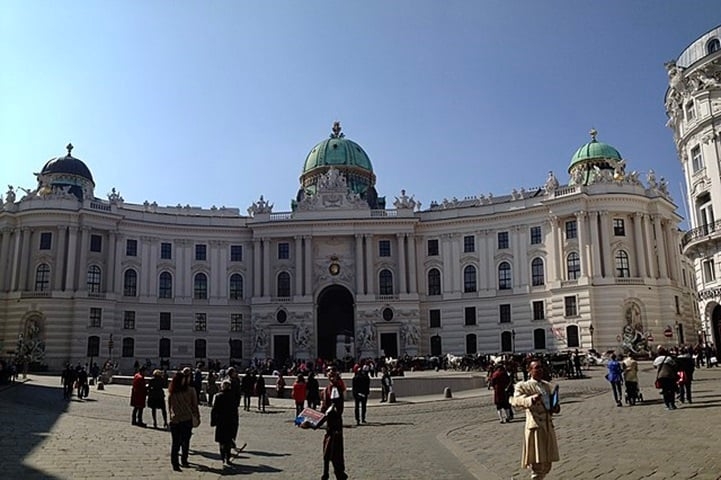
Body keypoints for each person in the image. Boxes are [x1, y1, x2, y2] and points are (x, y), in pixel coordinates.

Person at [510, 360, 560, 480]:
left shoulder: (547, 386)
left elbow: (551, 404)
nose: (540, 370)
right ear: (530, 370)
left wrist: (556, 407)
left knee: (547, 463)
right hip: (535, 426)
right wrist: (530, 400)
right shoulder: (523, 385)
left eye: (541, 367)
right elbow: (514, 401)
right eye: (536, 368)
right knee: (538, 463)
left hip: (548, 426)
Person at [316, 367, 348, 480]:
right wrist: (311, 421)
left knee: (335, 454)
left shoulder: (336, 389)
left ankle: (337, 474)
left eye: (333, 372)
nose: (331, 373)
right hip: (329, 426)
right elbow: (324, 409)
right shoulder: (326, 390)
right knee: (327, 452)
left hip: (336, 427)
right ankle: (326, 474)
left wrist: (319, 421)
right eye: (329, 372)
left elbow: (335, 409)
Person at [168, 368, 200, 471]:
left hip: (175, 419)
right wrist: (197, 416)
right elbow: (195, 405)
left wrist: (171, 416)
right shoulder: (191, 390)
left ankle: (175, 463)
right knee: (185, 441)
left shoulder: (172, 391)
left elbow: (169, 406)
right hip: (186, 419)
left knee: (175, 443)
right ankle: (184, 460)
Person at [211, 379, 239, 467]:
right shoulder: (233, 396)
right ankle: (228, 457)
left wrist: (213, 421)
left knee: (221, 441)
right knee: (228, 440)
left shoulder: (219, 396)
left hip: (221, 421)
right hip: (231, 421)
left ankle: (223, 458)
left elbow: (214, 410)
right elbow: (235, 411)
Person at [653, 346, 678, 410]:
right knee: (671, 390)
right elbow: (674, 365)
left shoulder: (657, 359)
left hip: (661, 377)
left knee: (665, 391)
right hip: (670, 376)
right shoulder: (668, 358)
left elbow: (654, 366)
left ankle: (667, 404)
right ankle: (672, 404)